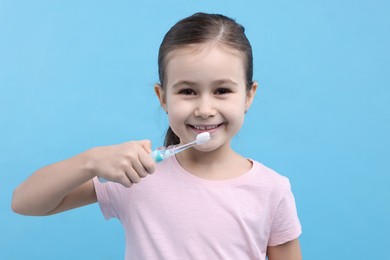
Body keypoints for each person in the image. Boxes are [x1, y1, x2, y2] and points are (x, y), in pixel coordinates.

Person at [12, 12, 302, 259]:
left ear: (248, 96)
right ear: (162, 97)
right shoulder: (138, 175)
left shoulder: (272, 190)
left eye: (222, 91)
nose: (204, 109)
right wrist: (92, 161)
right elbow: (24, 203)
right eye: (187, 91)